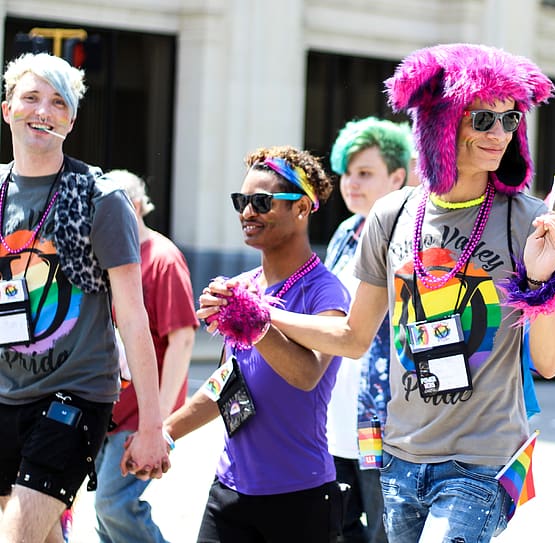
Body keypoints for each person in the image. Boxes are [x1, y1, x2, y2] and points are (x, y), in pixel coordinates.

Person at [199, 43, 555, 543]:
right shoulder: (391, 214)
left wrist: (542, 286)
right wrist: (261, 315)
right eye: (483, 118)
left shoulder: (527, 220)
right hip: (400, 458)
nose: (499, 134)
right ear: (442, 123)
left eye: (509, 121)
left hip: (481, 465)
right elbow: (353, 337)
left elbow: (550, 362)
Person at [0, 53, 170, 542]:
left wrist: (152, 426)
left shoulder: (100, 196)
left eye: (58, 103)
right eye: (31, 98)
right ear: (7, 109)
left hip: (73, 394)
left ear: (71, 121)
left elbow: (134, 317)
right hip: (6, 393)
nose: (43, 111)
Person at [164, 145, 350, 542]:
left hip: (300, 498)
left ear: (301, 208)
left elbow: (306, 374)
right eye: (241, 201)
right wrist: (165, 433)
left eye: (261, 202)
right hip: (228, 493)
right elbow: (226, 384)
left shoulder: (326, 293)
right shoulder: (243, 287)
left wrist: (256, 324)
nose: (247, 212)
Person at [93, 170, 198, 543]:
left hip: (142, 416)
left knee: (113, 505)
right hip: (108, 408)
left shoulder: (163, 259)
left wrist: (160, 424)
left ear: (134, 207)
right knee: (106, 516)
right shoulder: (110, 258)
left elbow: (182, 342)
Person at [325, 117, 412, 543]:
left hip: (381, 414)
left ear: (397, 177)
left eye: (365, 173)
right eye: (346, 172)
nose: (350, 183)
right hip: (334, 412)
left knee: (386, 529)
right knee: (335, 527)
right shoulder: (344, 233)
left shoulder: (410, 237)